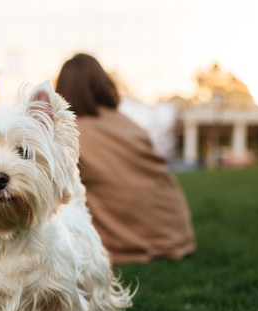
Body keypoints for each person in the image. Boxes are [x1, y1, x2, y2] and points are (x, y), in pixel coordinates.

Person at [55, 53, 195, 264]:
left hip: (128, 242)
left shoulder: (69, 133)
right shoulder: (126, 123)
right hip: (176, 233)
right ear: (102, 82)